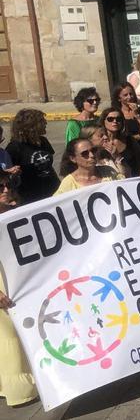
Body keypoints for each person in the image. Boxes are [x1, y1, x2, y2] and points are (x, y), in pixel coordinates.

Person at [0, 172, 36, 407]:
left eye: (8, 184)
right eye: (0, 187)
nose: (6, 189)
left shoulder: (15, 211)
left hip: (17, 279)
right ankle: (20, 390)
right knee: (9, 338)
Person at [7, 109, 58, 202]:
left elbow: (49, 167)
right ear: (31, 126)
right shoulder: (15, 147)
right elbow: (9, 175)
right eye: (42, 121)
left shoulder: (43, 141)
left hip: (53, 190)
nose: (46, 123)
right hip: (31, 197)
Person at [112, 82, 140, 148]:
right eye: (125, 95)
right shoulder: (117, 114)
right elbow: (120, 138)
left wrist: (137, 115)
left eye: (131, 94)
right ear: (119, 98)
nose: (130, 97)